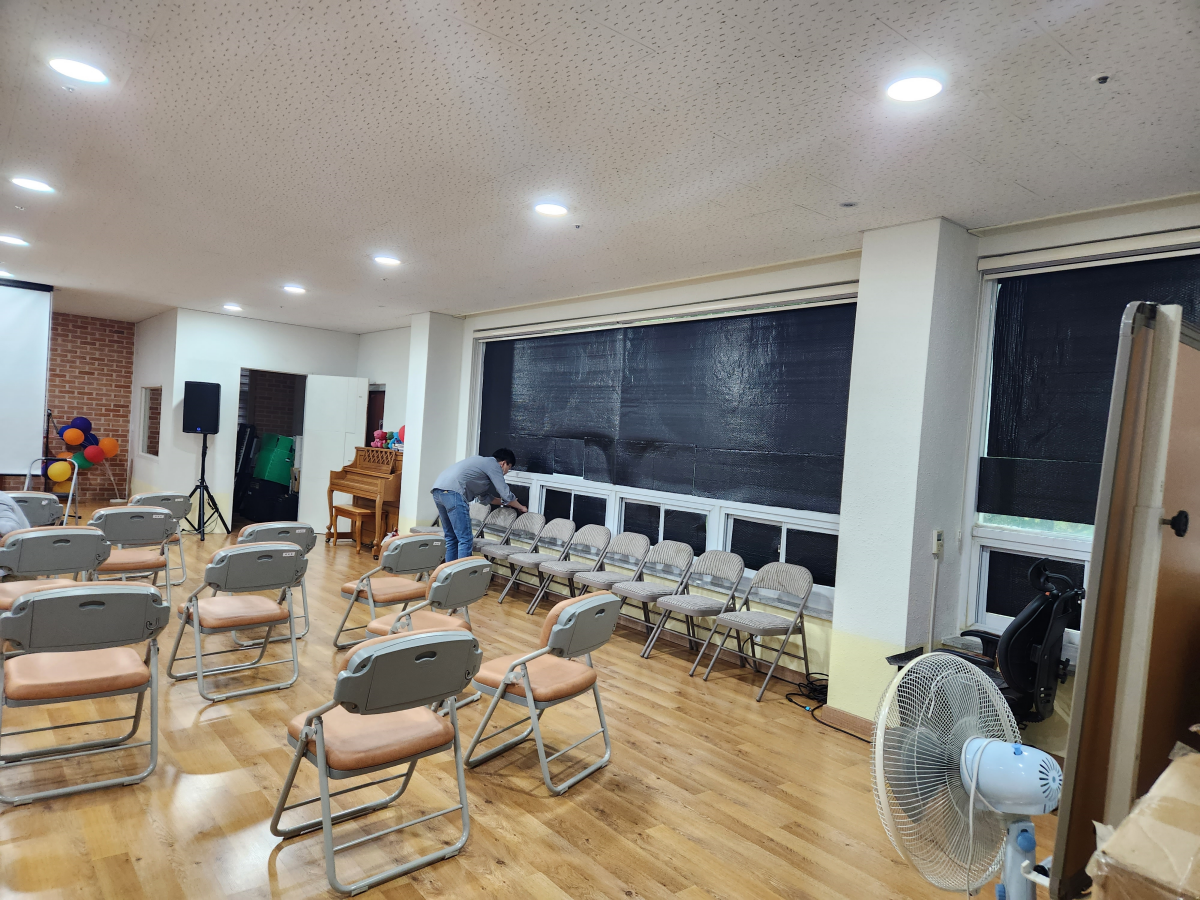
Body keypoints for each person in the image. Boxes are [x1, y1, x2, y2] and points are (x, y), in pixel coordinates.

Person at [431, 449, 527, 561]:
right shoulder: (493, 464)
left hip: (439, 491)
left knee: (451, 537)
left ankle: (449, 571)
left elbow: (485, 498)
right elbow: (505, 493)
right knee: (465, 539)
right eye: (508, 469)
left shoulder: (480, 464)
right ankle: (462, 571)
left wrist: (505, 502)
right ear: (503, 463)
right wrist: (521, 507)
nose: (506, 473)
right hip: (454, 493)